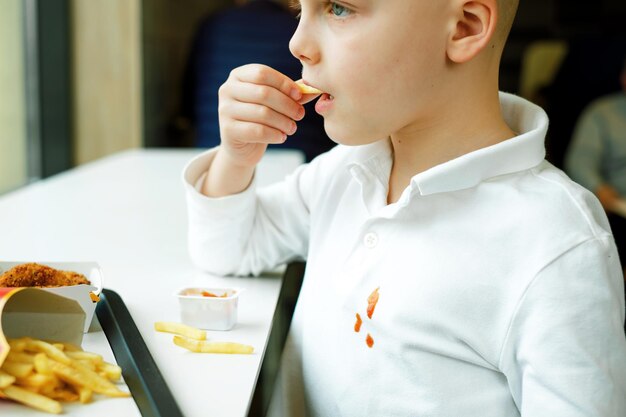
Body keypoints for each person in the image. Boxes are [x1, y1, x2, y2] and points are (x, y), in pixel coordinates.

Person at [183, 0, 626, 416]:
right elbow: (229, 249)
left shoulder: (558, 243)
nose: (296, 42)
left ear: (464, 28)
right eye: (302, 8)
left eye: (339, 8)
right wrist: (236, 157)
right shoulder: (344, 171)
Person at [180, 0, 334, 161]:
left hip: (213, 153)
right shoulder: (293, 27)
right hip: (304, 155)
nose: (295, 46)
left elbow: (188, 103)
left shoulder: (211, 26)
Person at [565, 58, 626, 281]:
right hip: (619, 207)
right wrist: (598, 188)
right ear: (623, 78)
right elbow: (581, 160)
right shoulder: (602, 113)